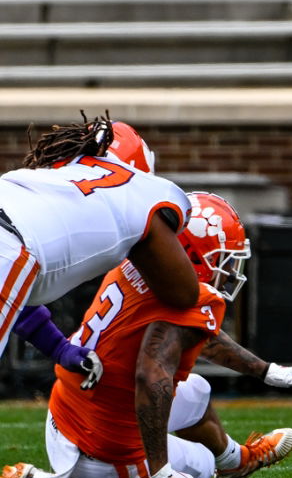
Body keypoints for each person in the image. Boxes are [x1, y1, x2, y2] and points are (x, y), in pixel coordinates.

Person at [0, 192, 292, 478]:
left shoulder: (133, 262)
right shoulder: (194, 298)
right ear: (193, 255)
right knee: (201, 461)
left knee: (196, 390)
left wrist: (265, 370)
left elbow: (199, 336)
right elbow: (151, 374)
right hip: (107, 463)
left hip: (64, 419)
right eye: (223, 258)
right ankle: (220, 463)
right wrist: (159, 470)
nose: (229, 270)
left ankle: (237, 461)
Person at [0, 114, 198, 364]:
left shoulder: (46, 177)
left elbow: (17, 292)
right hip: (10, 245)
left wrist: (58, 348)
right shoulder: (147, 191)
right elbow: (183, 295)